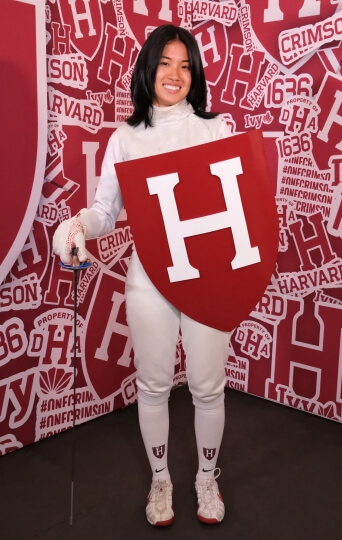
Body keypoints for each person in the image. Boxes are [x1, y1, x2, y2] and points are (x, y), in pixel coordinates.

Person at [53, 24, 232, 527]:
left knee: (208, 388)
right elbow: (103, 212)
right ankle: (161, 479)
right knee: (153, 385)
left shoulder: (217, 129)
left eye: (185, 64)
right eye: (165, 63)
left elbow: (238, 207)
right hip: (150, 279)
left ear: (194, 73)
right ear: (148, 69)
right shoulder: (125, 137)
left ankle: (205, 477)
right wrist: (76, 226)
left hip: (208, 278)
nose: (175, 74)